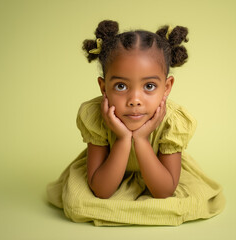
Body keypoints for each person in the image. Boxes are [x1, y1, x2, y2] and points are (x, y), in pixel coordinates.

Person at [47, 20, 225, 226]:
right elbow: (102, 191)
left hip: (160, 174)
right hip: (108, 172)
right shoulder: (95, 115)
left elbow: (164, 191)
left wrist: (141, 139)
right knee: (77, 202)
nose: (135, 100)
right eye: (121, 86)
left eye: (149, 86)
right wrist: (123, 139)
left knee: (181, 204)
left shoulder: (173, 121)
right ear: (103, 87)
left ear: (167, 87)